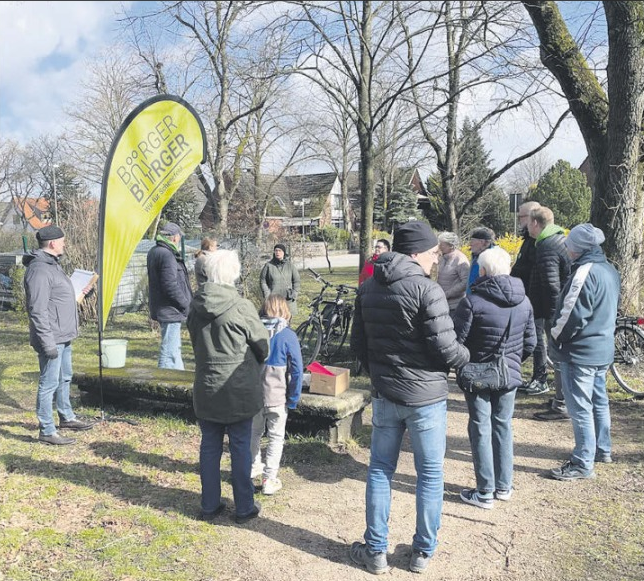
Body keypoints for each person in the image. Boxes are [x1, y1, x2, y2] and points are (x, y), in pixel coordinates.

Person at [350, 221, 470, 575]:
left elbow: (359, 345)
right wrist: (466, 357)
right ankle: (422, 551)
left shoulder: (368, 288)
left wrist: (380, 373)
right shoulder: (427, 290)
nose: (436, 258)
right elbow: (446, 348)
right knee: (430, 474)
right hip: (426, 398)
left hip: (387, 393)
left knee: (380, 470)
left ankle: (375, 551)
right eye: (433, 252)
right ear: (417, 253)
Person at [187, 249, 270, 524]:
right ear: (233, 273)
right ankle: (244, 506)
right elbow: (263, 345)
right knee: (240, 446)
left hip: (207, 385)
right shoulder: (241, 306)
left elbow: (195, 343)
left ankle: (209, 505)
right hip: (238, 387)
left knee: (210, 446)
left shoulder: (195, 307)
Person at [453, 247, 536, 508]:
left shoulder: (472, 301)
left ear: (483, 271)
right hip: (509, 373)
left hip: (477, 373)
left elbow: (457, 341)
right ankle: (503, 486)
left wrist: (463, 364)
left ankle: (485, 491)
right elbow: (530, 343)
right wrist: (512, 361)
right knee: (503, 426)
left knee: (480, 428)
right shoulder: (524, 300)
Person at [549, 224, 620, 481]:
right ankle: (602, 449)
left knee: (580, 407)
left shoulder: (585, 272)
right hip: (602, 348)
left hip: (580, 352)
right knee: (599, 401)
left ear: (577, 248)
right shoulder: (609, 269)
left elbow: (572, 315)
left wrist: (555, 337)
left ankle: (582, 462)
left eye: (569, 244)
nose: (567, 248)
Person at [23, 225, 95, 446]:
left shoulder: (53, 265)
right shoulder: (39, 270)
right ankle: (47, 429)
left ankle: (67, 417)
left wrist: (82, 292)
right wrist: (47, 343)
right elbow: (37, 309)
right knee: (49, 383)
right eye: (62, 241)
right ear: (53, 243)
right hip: (52, 337)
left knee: (65, 377)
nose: (65, 244)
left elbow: (59, 296)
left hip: (63, 334)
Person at [250, 295, 304, 496]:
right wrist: (293, 397)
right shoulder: (288, 335)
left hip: (255, 395)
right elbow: (297, 370)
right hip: (277, 396)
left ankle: (252, 467)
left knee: (254, 433)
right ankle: (269, 478)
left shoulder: (254, 331)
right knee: (275, 437)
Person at [526, 207, 572, 419]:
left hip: (553, 312)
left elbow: (552, 285)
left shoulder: (546, 246)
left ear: (535, 223)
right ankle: (561, 397)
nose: (527, 227)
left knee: (558, 357)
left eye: (528, 222)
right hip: (557, 309)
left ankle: (561, 403)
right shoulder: (558, 239)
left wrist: (555, 319)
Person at [147, 222, 193, 370]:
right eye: (179, 237)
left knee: (174, 350)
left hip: (164, 308)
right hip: (170, 309)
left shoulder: (154, 251)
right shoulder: (167, 255)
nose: (179, 240)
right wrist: (185, 304)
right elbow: (170, 285)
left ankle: (179, 377)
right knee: (169, 351)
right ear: (174, 237)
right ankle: (162, 381)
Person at [259, 243, 301, 315]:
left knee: (287, 319)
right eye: (276, 250)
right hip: (274, 301)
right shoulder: (268, 266)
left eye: (280, 251)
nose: (277, 252)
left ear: (284, 252)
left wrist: (295, 293)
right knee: (274, 319)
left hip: (288, 300)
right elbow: (262, 281)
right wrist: (267, 294)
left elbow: (296, 281)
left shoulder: (290, 266)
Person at [436, 231, 470, 315]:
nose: (440, 247)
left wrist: (447, 294)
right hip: (442, 302)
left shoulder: (460, 259)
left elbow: (466, 282)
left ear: (450, 245)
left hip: (455, 305)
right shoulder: (442, 258)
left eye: (442, 244)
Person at [466, 227, 495, 294]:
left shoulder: (492, 258)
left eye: (472, 240)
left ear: (482, 242)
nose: (470, 244)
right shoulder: (475, 255)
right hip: (472, 297)